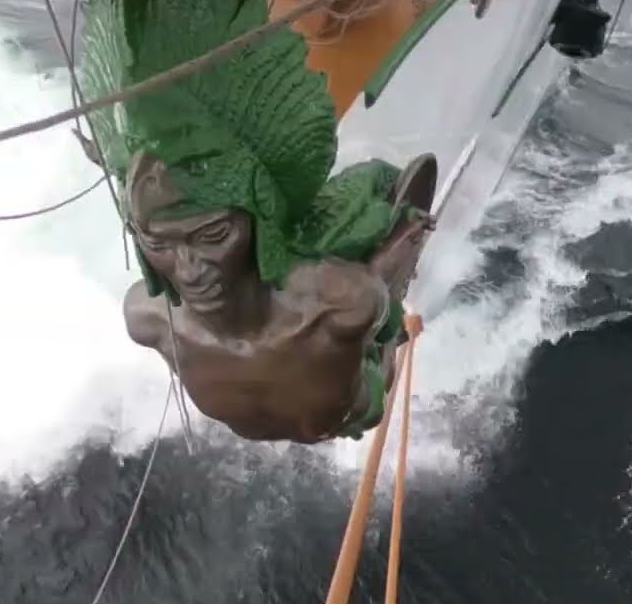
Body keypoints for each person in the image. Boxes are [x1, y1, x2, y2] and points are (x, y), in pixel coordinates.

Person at [120, 150, 437, 444]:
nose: (188, 272)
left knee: (367, 309)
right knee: (377, 324)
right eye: (159, 246)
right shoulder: (345, 299)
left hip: (312, 415)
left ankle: (383, 288)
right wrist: (382, 294)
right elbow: (382, 320)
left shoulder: (144, 317)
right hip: (338, 415)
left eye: (214, 236)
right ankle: (391, 269)